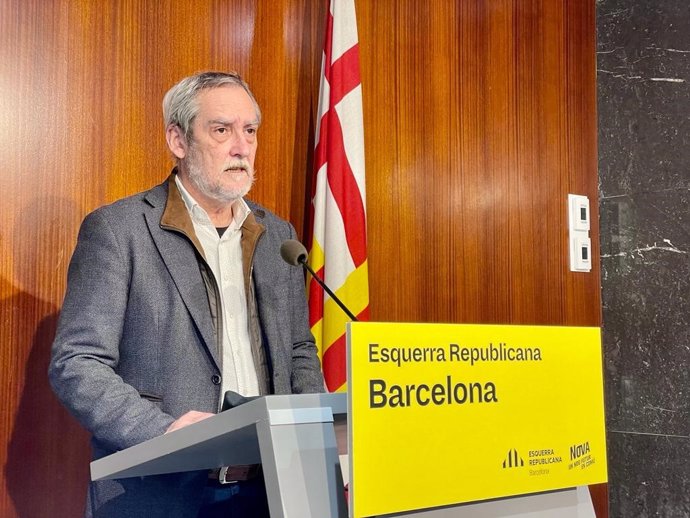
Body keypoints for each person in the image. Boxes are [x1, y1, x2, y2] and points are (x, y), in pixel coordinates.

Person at [49, 71, 325, 518]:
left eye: (249, 130)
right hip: (161, 488)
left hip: (273, 488)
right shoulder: (119, 231)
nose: (241, 147)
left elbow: (297, 351)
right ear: (177, 140)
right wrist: (165, 432)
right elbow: (77, 363)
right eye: (221, 130)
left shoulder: (278, 236)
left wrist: (316, 440)